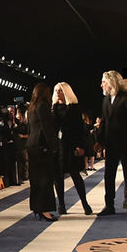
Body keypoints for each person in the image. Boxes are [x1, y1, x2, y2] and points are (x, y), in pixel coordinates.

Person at [94, 71, 127, 215]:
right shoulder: (106, 100)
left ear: (111, 82)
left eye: (103, 82)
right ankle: (109, 206)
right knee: (109, 176)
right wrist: (99, 141)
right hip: (111, 144)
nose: (101, 85)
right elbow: (104, 122)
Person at [52, 82, 92, 215]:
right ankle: (61, 205)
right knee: (58, 176)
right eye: (56, 90)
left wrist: (80, 146)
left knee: (75, 174)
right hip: (58, 146)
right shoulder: (53, 108)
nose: (58, 93)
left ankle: (85, 203)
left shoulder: (74, 107)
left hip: (71, 145)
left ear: (66, 92)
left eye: (60, 90)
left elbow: (80, 129)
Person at [26, 83, 57, 221]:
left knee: (35, 179)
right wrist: (54, 146)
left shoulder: (31, 107)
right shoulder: (43, 106)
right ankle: (44, 209)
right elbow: (47, 128)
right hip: (41, 146)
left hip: (32, 145)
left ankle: (37, 207)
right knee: (45, 179)